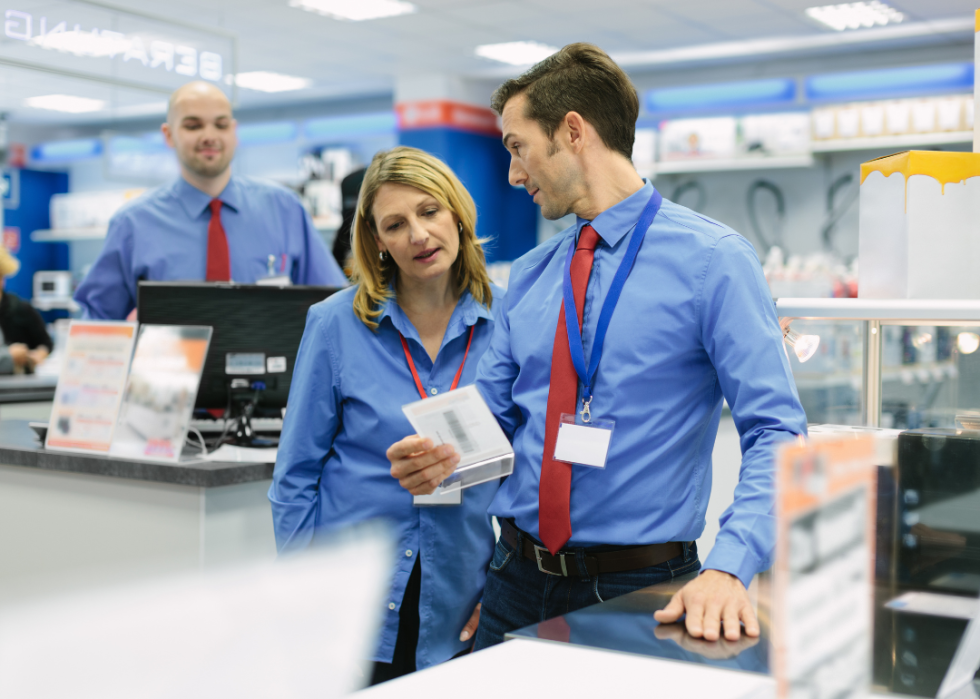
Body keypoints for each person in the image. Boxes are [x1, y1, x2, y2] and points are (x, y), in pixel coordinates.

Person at [387, 43, 808, 648]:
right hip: (515, 581)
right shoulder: (531, 273)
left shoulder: (713, 262)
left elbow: (777, 431)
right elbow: (498, 415)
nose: (512, 173)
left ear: (573, 131)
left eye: (517, 146)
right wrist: (440, 457)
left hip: (641, 587)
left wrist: (729, 565)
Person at [268, 146, 504, 685]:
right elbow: (296, 476)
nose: (418, 235)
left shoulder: (509, 322)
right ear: (376, 241)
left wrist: (505, 586)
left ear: (457, 214)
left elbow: (529, 473)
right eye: (395, 224)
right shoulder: (334, 325)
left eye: (429, 211)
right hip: (352, 590)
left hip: (463, 590)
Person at [74, 81, 346, 320]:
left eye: (221, 124)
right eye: (193, 125)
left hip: (274, 375)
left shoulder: (284, 209)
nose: (209, 136)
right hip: (172, 376)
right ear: (169, 135)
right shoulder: (133, 223)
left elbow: (334, 306)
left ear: (233, 131)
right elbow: (98, 319)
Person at [0, 248, 52, 374]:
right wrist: (9, 355)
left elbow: (45, 343)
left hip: (21, 383)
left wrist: (38, 355)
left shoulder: (21, 308)